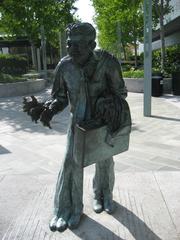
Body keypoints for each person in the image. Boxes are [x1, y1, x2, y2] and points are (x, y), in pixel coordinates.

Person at [23, 22, 128, 232]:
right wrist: (49, 108)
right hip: (77, 124)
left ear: (92, 44)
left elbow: (121, 92)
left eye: (78, 45)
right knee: (71, 165)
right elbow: (60, 97)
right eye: (69, 44)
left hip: (103, 122)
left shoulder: (107, 62)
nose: (71, 49)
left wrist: (106, 104)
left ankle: (103, 195)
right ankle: (67, 209)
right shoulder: (64, 66)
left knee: (105, 160)